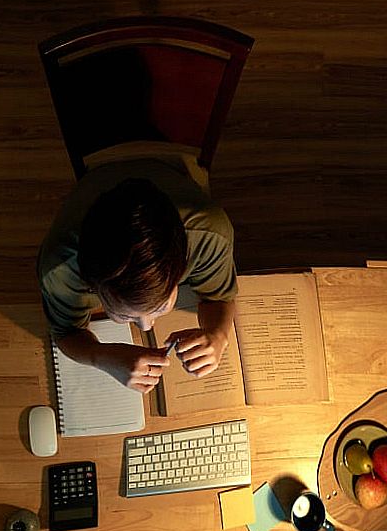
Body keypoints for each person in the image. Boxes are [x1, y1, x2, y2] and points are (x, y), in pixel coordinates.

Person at [38, 154, 238, 394]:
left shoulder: (209, 236)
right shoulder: (60, 269)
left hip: (170, 163)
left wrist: (219, 334)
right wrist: (100, 356)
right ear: (90, 285)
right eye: (123, 315)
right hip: (100, 169)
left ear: (183, 266)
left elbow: (219, 297)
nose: (146, 327)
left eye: (161, 307)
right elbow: (65, 332)